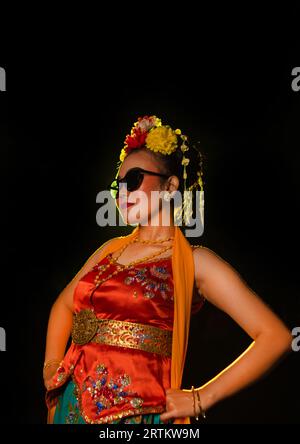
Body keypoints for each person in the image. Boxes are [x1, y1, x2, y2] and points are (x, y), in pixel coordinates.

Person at [44, 115, 291, 424]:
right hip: (72, 410)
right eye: (117, 185)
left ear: (170, 185)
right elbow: (63, 307)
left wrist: (201, 398)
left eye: (133, 180)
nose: (122, 193)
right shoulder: (108, 251)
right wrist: (52, 368)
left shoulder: (195, 261)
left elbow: (276, 336)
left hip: (136, 418)